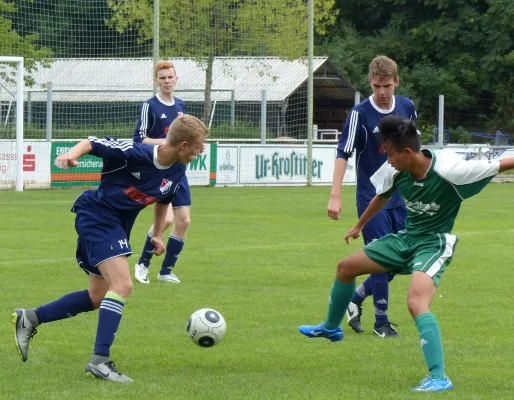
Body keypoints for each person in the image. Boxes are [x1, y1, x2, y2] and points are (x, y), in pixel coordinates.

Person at [300, 115, 514, 392]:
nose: (387, 160)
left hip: (434, 243)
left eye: (389, 154)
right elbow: (383, 195)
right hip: (406, 240)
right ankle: (331, 327)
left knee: (416, 303)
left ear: (407, 153)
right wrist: (359, 225)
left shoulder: (453, 171)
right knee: (346, 267)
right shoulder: (396, 170)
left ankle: (439, 377)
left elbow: (503, 163)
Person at [11, 115, 209, 383]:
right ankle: (100, 360)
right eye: (199, 145)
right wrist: (71, 155)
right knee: (123, 285)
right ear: (184, 144)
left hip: (115, 226)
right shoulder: (135, 153)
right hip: (97, 216)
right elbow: (92, 142)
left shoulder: (176, 170)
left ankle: (31, 317)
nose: (201, 150)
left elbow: (164, 198)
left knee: (98, 295)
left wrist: (158, 234)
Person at [327, 55, 417, 337]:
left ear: (396, 83)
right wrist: (335, 194)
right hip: (371, 198)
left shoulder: (406, 107)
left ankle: (355, 300)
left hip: (401, 197)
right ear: (370, 82)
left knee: (404, 260)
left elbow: (413, 149)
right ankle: (381, 323)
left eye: (387, 85)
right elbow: (343, 152)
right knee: (380, 258)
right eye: (377, 85)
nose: (381, 91)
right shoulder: (359, 114)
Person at [133, 60, 189, 284]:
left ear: (176, 79)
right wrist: (167, 142)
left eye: (170, 76)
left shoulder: (181, 106)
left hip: (179, 170)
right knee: (164, 221)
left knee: (183, 221)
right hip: (160, 170)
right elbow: (139, 139)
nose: (167, 81)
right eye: (162, 77)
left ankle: (166, 271)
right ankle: (143, 264)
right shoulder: (150, 106)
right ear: (156, 81)